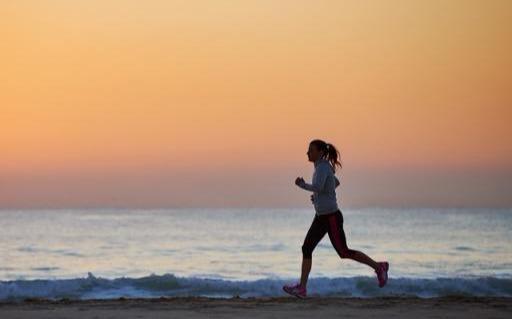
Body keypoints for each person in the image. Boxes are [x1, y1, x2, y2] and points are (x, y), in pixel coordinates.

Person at [282, 139, 389, 299]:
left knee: (343, 252)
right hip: (321, 217)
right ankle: (302, 288)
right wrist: (319, 197)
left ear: (319, 152)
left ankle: (379, 267)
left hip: (331, 217)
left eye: (311, 150)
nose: (307, 153)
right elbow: (335, 183)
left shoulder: (323, 167)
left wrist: (303, 185)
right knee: (306, 248)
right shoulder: (322, 167)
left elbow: (319, 186)